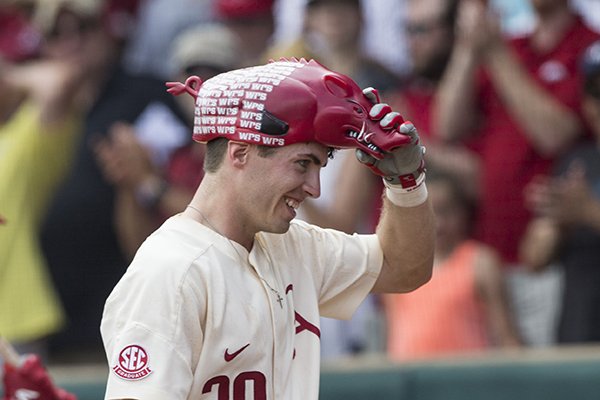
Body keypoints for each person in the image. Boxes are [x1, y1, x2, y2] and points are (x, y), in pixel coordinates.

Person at [100, 58, 434, 397]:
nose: (314, 188)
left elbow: (404, 268)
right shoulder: (171, 271)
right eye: (303, 163)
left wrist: (405, 182)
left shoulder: (294, 246)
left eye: (318, 166)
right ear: (240, 153)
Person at [433, 0, 600, 346]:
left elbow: (554, 135)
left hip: (552, 265)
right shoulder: (511, 45)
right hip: (488, 256)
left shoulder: (586, 44)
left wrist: (496, 56)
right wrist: (469, 48)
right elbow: (447, 126)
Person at [0, 0, 119, 362]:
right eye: (56, 33)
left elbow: (59, 80)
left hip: (12, 311)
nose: (71, 40)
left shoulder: (34, 131)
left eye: (82, 30)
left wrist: (8, 75)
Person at [94, 23, 240, 260]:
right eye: (191, 74)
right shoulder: (171, 151)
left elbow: (222, 224)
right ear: (176, 81)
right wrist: (128, 181)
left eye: (213, 72)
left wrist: (149, 184)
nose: (200, 84)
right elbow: (138, 247)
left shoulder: (246, 146)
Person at [385, 169, 521, 361]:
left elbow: (505, 335)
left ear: (464, 212)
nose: (438, 223)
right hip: (412, 382)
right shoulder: (397, 264)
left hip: (467, 382)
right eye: (428, 212)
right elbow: (393, 334)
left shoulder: (480, 263)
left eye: (446, 211)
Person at [521, 39, 600, 344]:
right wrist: (556, 223)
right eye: (594, 92)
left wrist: (587, 212)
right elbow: (534, 258)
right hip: (577, 334)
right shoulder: (575, 161)